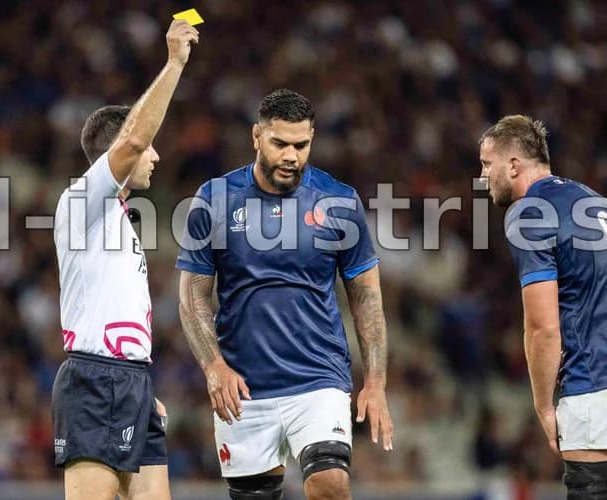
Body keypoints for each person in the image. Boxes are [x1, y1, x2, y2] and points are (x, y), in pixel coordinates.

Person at [177, 89, 392, 500]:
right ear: (256, 136)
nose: (291, 156)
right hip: (243, 388)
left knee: (330, 484)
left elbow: (367, 299)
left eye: (301, 144)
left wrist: (376, 381)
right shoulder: (215, 198)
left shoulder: (339, 201)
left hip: (318, 377)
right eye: (280, 144)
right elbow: (192, 296)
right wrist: (213, 366)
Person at [478, 114, 607, 499]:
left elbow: (543, 327)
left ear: (513, 164)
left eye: (486, 164)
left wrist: (544, 407)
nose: (483, 176)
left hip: (600, 373)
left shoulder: (529, 212)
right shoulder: (599, 202)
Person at [50, 19, 198, 500]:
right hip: (95, 380)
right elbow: (132, 141)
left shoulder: (119, 218)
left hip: (132, 382)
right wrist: (174, 62)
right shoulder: (81, 201)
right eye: (149, 146)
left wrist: (138, 379)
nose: (154, 155)